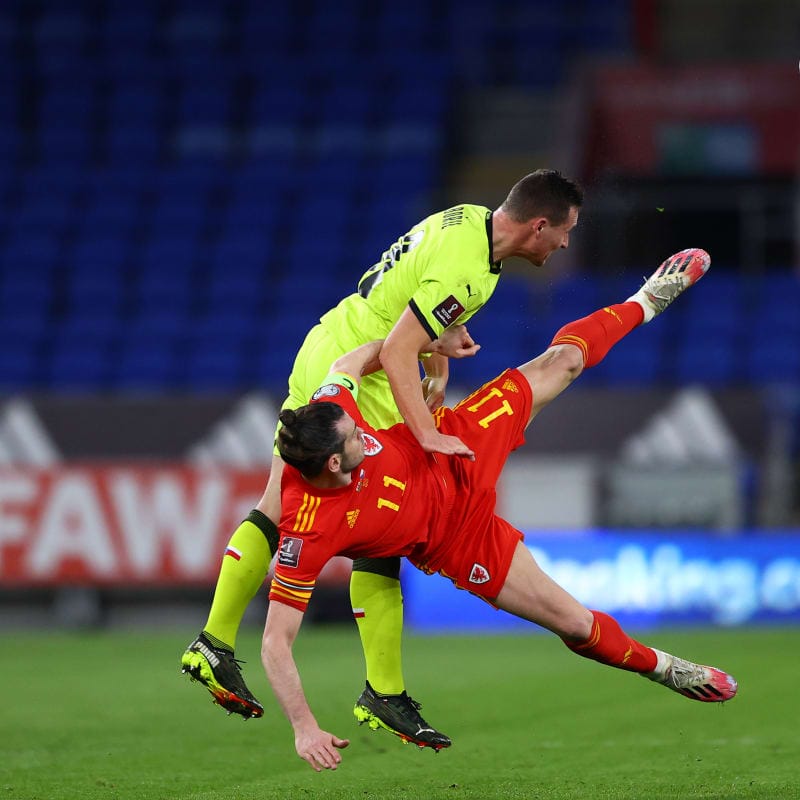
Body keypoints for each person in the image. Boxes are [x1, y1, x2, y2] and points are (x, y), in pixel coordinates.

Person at [261, 247, 739, 773]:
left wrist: (427, 347)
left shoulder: (332, 410)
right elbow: (275, 644)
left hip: (450, 446)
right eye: (356, 438)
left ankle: (646, 299)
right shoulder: (306, 530)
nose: (362, 429)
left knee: (564, 362)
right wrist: (304, 728)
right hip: (457, 542)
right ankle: (666, 669)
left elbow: (348, 363)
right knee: (574, 623)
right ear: (332, 463)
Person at [181, 170, 584, 746]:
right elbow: (400, 346)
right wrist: (426, 434)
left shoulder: (466, 219)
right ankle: (380, 690)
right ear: (539, 225)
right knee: (386, 522)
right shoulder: (474, 273)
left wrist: (439, 367)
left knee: (277, 504)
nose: (565, 244)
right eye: (564, 232)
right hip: (365, 370)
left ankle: (216, 642)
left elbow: (422, 301)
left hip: (334, 343)